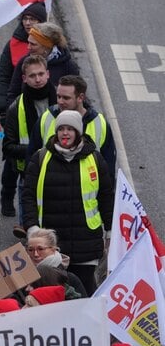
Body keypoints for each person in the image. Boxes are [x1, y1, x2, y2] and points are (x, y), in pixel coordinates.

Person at [21, 110, 113, 294]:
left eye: (70, 129)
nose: (65, 133)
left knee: (85, 291)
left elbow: (106, 196)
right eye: (61, 128)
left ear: (78, 132)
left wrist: (110, 231)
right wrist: (31, 228)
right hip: (50, 242)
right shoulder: (40, 158)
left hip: (86, 241)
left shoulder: (95, 158)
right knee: (50, 291)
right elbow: (28, 194)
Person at [1, 55, 54, 222]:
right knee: (30, 229)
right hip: (28, 172)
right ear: (24, 78)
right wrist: (38, 151)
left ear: (48, 74)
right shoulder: (16, 108)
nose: (37, 79)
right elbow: (8, 147)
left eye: (40, 74)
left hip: (57, 171)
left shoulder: (63, 101)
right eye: (32, 76)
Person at [39, 74, 116, 172]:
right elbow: (33, 155)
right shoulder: (47, 117)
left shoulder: (99, 123)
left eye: (66, 98)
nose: (60, 102)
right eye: (58, 96)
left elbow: (108, 164)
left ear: (80, 97)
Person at [7, 21, 80, 108]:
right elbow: (13, 93)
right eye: (28, 42)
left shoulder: (68, 67)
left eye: (33, 44)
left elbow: (77, 97)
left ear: (46, 46)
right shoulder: (24, 62)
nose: (28, 47)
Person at [0, 2, 47, 118]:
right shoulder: (12, 45)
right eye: (25, 19)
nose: (28, 23)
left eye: (32, 19)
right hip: (19, 105)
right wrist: (4, 108)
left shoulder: (52, 46)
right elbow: (4, 77)